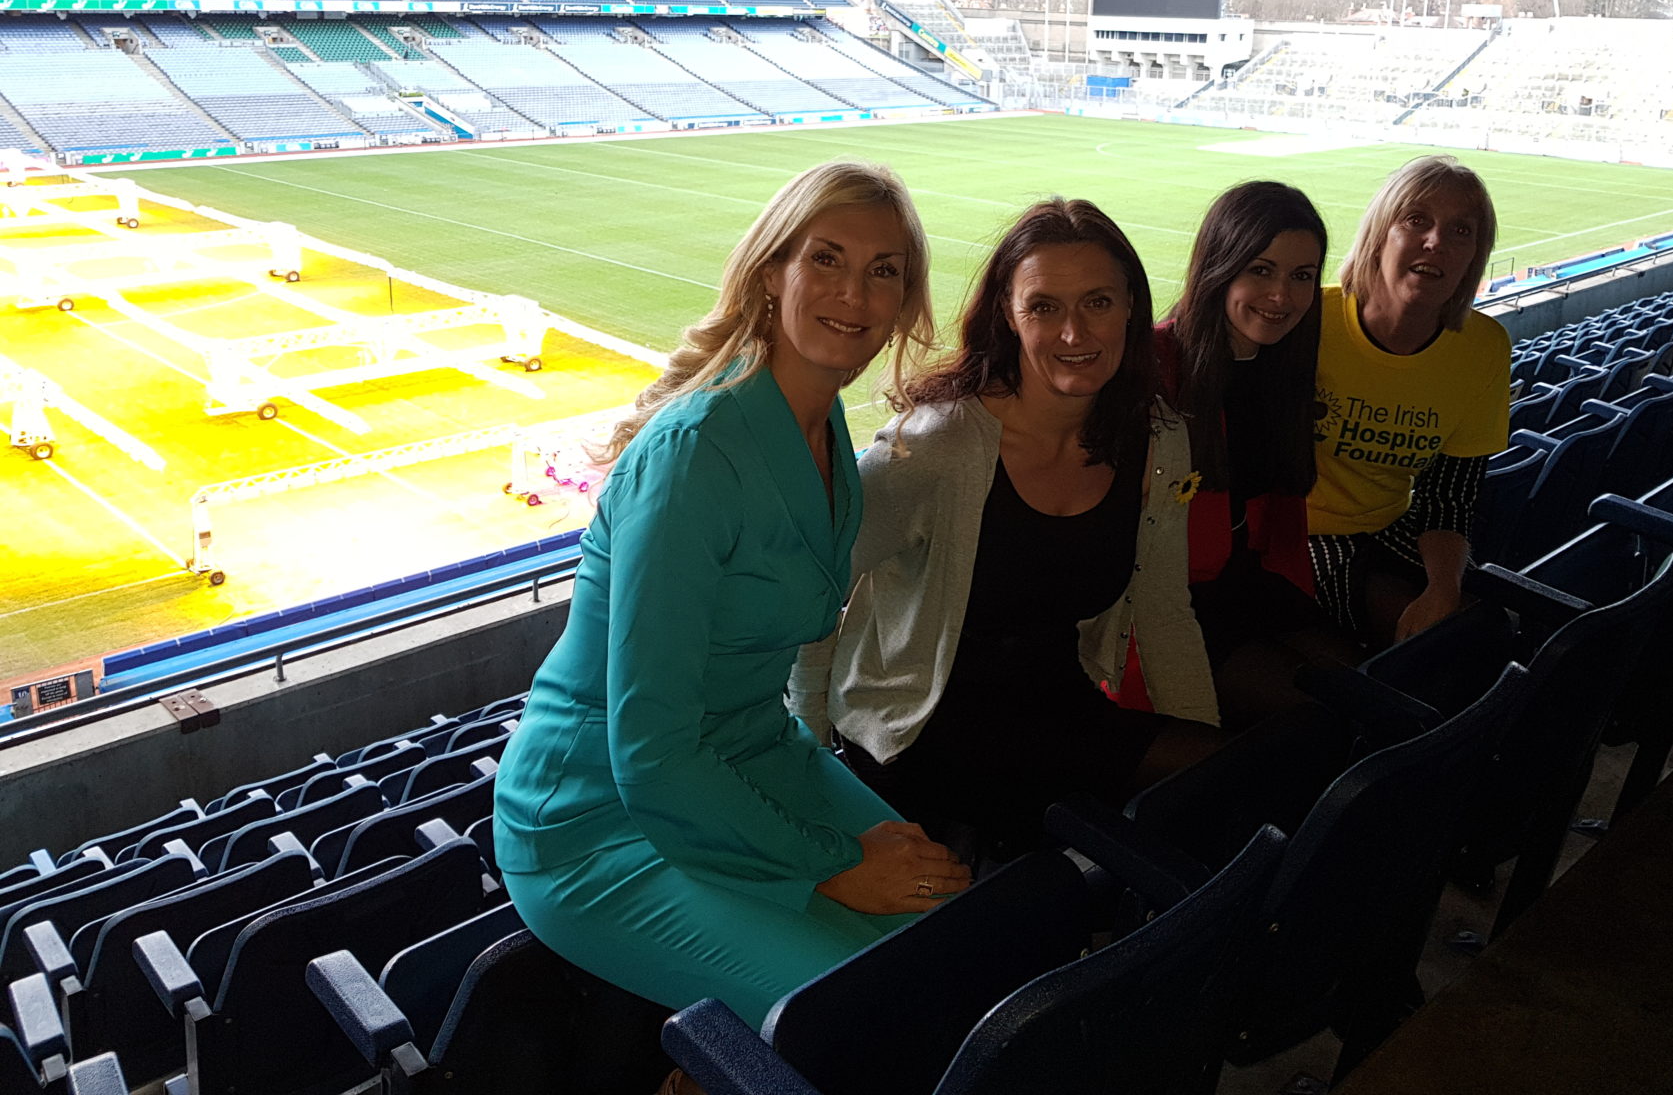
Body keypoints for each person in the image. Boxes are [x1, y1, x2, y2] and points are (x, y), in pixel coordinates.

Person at [493, 162, 971, 1035]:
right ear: (770, 273)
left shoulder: (824, 432)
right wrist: (832, 866)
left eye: (884, 271)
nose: (854, 293)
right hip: (598, 817)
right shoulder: (694, 456)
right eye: (826, 259)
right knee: (867, 1011)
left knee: (951, 929)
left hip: (753, 758)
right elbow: (650, 750)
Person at [791, 198, 1222, 856]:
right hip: (921, 726)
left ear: (1132, 307)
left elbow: (1165, 613)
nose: (1075, 333)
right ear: (1008, 317)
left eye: (1098, 302)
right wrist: (816, 762)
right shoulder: (933, 450)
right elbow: (811, 596)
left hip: (1055, 704)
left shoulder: (1158, 441)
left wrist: (1195, 760)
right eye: (1045, 307)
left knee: (1225, 778)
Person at [1157, 180, 1363, 730]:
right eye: (1260, 270)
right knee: (1320, 721)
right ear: (1220, 267)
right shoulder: (1158, 370)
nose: (1282, 297)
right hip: (1174, 605)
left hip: (1250, 581)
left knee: (1374, 685)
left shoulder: (1284, 370)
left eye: (1301, 276)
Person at [1307, 155, 1512, 651]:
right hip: (1295, 534)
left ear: (1474, 256)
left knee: (1493, 629)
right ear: (1380, 233)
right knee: (1438, 649)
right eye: (1416, 220)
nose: (1437, 241)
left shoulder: (1484, 348)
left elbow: (1450, 495)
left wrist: (1444, 586)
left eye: (1461, 230)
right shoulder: (1309, 320)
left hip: (1393, 524)